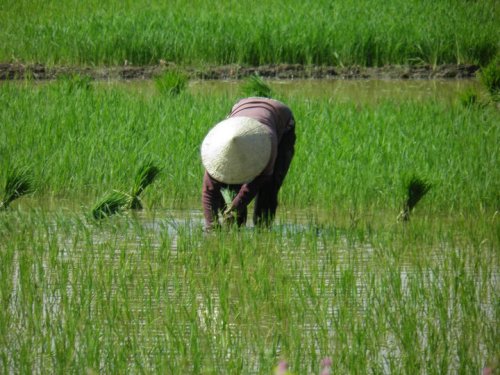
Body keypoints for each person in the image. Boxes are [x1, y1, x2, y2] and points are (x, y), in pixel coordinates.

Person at [201, 97, 296, 230]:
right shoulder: (217, 148)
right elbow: (208, 192)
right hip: (240, 112)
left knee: (269, 187)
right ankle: (236, 226)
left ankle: (263, 230)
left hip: (280, 119)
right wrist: (212, 226)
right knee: (232, 185)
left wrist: (236, 206)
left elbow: (260, 179)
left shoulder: (267, 142)